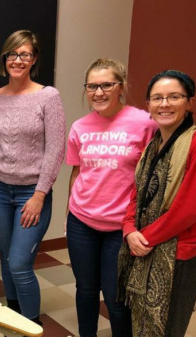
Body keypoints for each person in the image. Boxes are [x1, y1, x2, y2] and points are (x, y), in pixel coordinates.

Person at [66, 58, 157, 337]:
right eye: (92, 86)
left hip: (121, 227)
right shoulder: (79, 126)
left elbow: (154, 177)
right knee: (85, 290)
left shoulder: (145, 123)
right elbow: (77, 173)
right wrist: (69, 217)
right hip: (82, 222)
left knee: (116, 298)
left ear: (122, 87)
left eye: (107, 84)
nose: (99, 92)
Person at [0, 30, 65, 325]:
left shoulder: (48, 96)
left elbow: (55, 149)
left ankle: (32, 324)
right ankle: (15, 312)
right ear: (4, 58)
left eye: (24, 54)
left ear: (34, 59)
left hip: (32, 193)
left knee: (19, 262)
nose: (17, 60)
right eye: (12, 54)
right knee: (6, 257)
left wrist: (39, 195)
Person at [118, 70, 196, 337]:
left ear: (189, 102)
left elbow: (188, 210)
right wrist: (129, 228)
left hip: (178, 252)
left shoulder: (194, 142)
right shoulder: (153, 145)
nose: (164, 104)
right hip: (143, 243)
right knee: (142, 321)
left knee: (168, 326)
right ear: (148, 105)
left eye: (174, 97)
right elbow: (137, 192)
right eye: (157, 98)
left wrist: (145, 238)